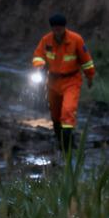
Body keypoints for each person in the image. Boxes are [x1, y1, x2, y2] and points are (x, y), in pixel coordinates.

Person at [31, 14, 96, 153]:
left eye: (59, 29)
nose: (57, 31)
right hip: (53, 81)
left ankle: (67, 146)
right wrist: (40, 65)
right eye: (55, 29)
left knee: (67, 111)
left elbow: (86, 60)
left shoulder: (76, 40)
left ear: (64, 28)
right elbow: (38, 56)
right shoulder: (46, 40)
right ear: (52, 28)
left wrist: (90, 76)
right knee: (55, 114)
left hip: (71, 80)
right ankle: (59, 139)